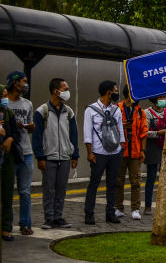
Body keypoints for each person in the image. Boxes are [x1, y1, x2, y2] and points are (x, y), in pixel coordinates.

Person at [33, 78, 79, 229]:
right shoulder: (42, 111)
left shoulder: (69, 112)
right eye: (65, 89)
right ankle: (48, 218)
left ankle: (58, 217)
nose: (67, 92)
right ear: (56, 91)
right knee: (48, 189)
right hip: (49, 157)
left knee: (61, 188)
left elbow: (73, 134)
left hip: (65, 156)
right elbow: (37, 136)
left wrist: (75, 155)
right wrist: (40, 157)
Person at [83, 80, 126, 225]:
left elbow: (120, 131)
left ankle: (110, 213)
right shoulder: (91, 109)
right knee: (94, 184)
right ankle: (89, 214)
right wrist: (90, 152)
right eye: (115, 90)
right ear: (109, 92)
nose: (116, 93)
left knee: (112, 184)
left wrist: (121, 148)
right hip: (98, 152)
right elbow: (87, 132)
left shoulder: (116, 110)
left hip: (115, 153)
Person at [6, 71, 34, 236]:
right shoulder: (4, 103)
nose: (25, 84)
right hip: (9, 152)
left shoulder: (27, 104)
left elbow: (29, 123)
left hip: (26, 151)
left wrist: (29, 127)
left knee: (25, 191)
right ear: (15, 83)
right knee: (7, 190)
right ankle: (6, 225)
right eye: (24, 81)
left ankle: (25, 223)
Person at [115, 86, 148, 220]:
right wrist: (120, 125)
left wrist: (142, 150)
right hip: (120, 151)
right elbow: (109, 127)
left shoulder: (140, 111)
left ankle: (135, 209)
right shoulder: (116, 109)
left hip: (135, 152)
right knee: (118, 181)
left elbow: (144, 132)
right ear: (128, 93)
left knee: (136, 182)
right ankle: (118, 208)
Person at [0, 88, 21, 241]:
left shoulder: (8, 113)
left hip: (7, 158)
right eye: (3, 96)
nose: (6, 98)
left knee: (7, 193)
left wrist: (9, 139)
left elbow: (16, 133)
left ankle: (5, 228)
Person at [144, 96, 166, 214]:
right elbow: (144, 132)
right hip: (152, 148)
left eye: (164, 97)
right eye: (160, 98)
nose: (163, 100)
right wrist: (159, 133)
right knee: (151, 178)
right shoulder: (147, 113)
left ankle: (165, 205)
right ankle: (147, 206)